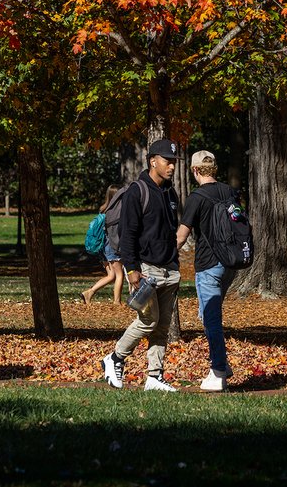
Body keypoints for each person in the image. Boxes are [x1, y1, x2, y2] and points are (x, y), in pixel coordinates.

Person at [101, 138, 183, 392]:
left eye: (174, 162)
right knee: (148, 321)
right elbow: (128, 235)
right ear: (153, 161)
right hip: (146, 269)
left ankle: (154, 377)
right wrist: (131, 270)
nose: (171, 166)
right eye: (167, 161)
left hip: (169, 268)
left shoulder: (170, 192)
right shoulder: (137, 191)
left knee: (162, 326)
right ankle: (114, 357)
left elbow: (170, 229)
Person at [176, 150, 239, 391]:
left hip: (208, 264)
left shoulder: (197, 197)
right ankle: (222, 361)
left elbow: (182, 236)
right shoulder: (229, 191)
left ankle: (219, 371)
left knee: (210, 318)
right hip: (230, 265)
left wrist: (163, 256)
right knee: (207, 314)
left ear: (194, 170)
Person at [81, 186, 124, 305]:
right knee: (119, 274)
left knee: (111, 276)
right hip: (112, 246)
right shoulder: (114, 212)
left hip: (102, 248)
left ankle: (89, 292)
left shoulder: (103, 209)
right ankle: (117, 302)